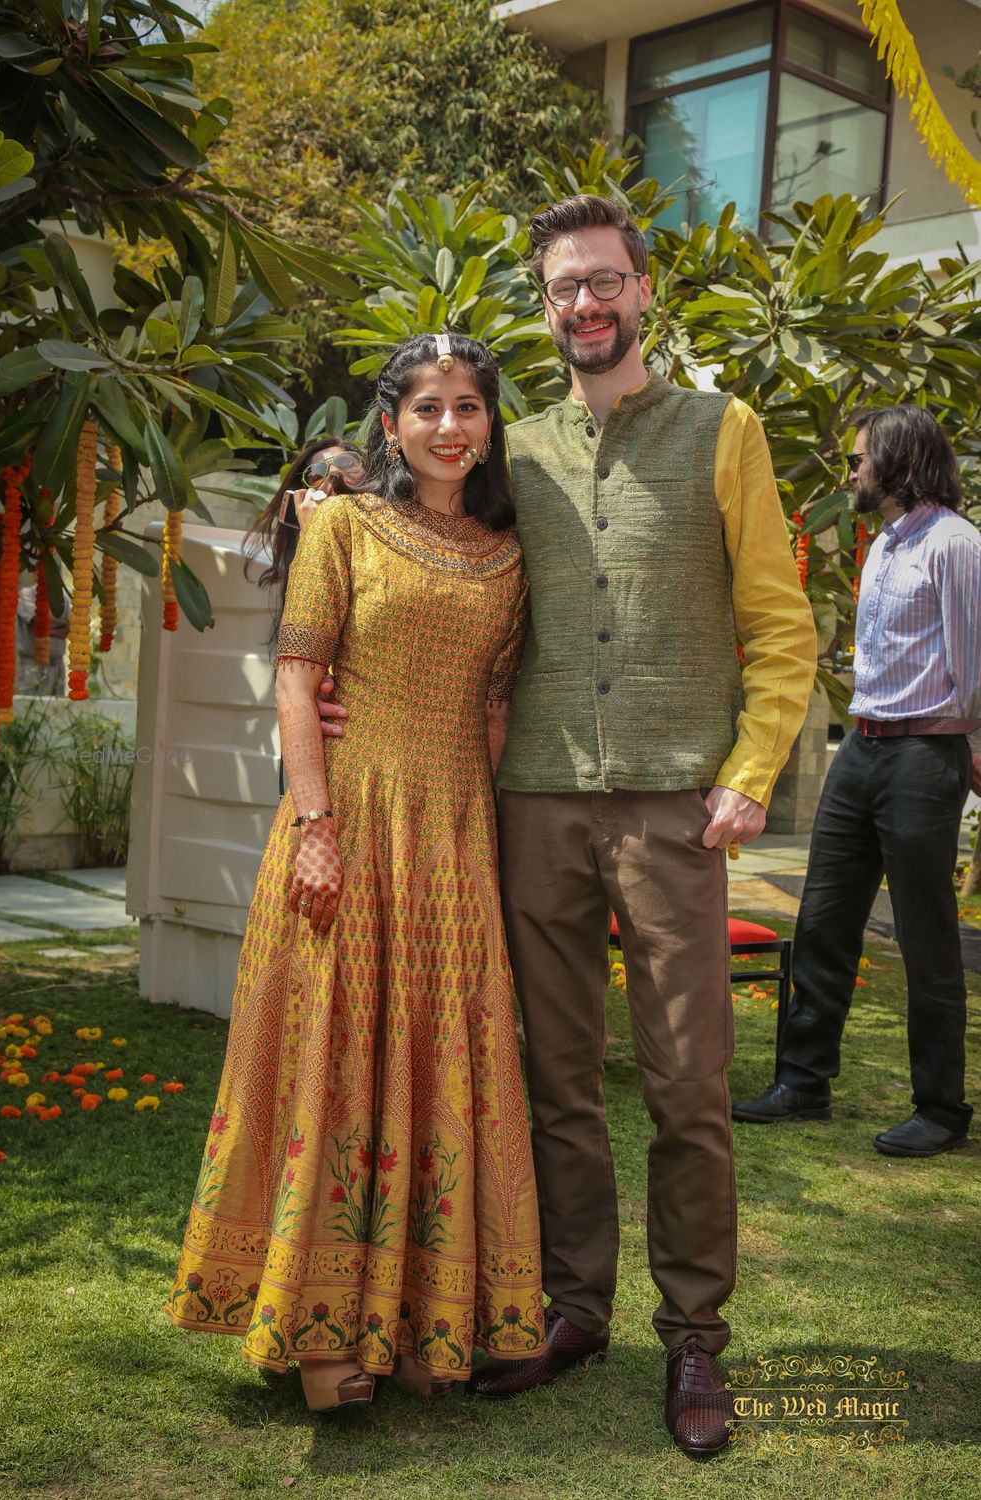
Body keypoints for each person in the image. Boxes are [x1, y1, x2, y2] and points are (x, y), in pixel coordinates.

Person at [318, 196, 818, 1455]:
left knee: (687, 1084)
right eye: (562, 289)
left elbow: (782, 623)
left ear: (644, 290)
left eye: (604, 282)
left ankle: (694, 1336)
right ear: (544, 308)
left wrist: (750, 772)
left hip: (672, 809)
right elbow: (422, 558)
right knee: (554, 1078)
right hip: (529, 803)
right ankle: (572, 1306)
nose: (585, 304)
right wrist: (334, 684)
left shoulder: (725, 429)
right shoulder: (511, 446)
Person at [165, 333, 545, 1411]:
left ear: (488, 425)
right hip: (350, 812)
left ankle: (425, 1319)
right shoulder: (342, 526)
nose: (448, 426)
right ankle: (322, 1330)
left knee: (439, 1057)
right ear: (390, 425)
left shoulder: (510, 556)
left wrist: (494, 835)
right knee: (333, 1051)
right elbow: (298, 675)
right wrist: (317, 820)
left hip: (453, 828)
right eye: (426, 408)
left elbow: (498, 706)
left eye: (468, 407)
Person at [733, 405, 981, 1158]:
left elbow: (975, 670)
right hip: (863, 751)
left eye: (860, 460)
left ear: (899, 462)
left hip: (923, 756)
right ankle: (803, 1083)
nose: (851, 473)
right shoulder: (883, 547)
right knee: (824, 920)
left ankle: (940, 1110)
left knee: (925, 935)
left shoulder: (957, 547)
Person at [244, 435, 363, 642]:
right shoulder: (306, 561)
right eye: (317, 474)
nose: (334, 472)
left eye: (346, 463)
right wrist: (312, 534)